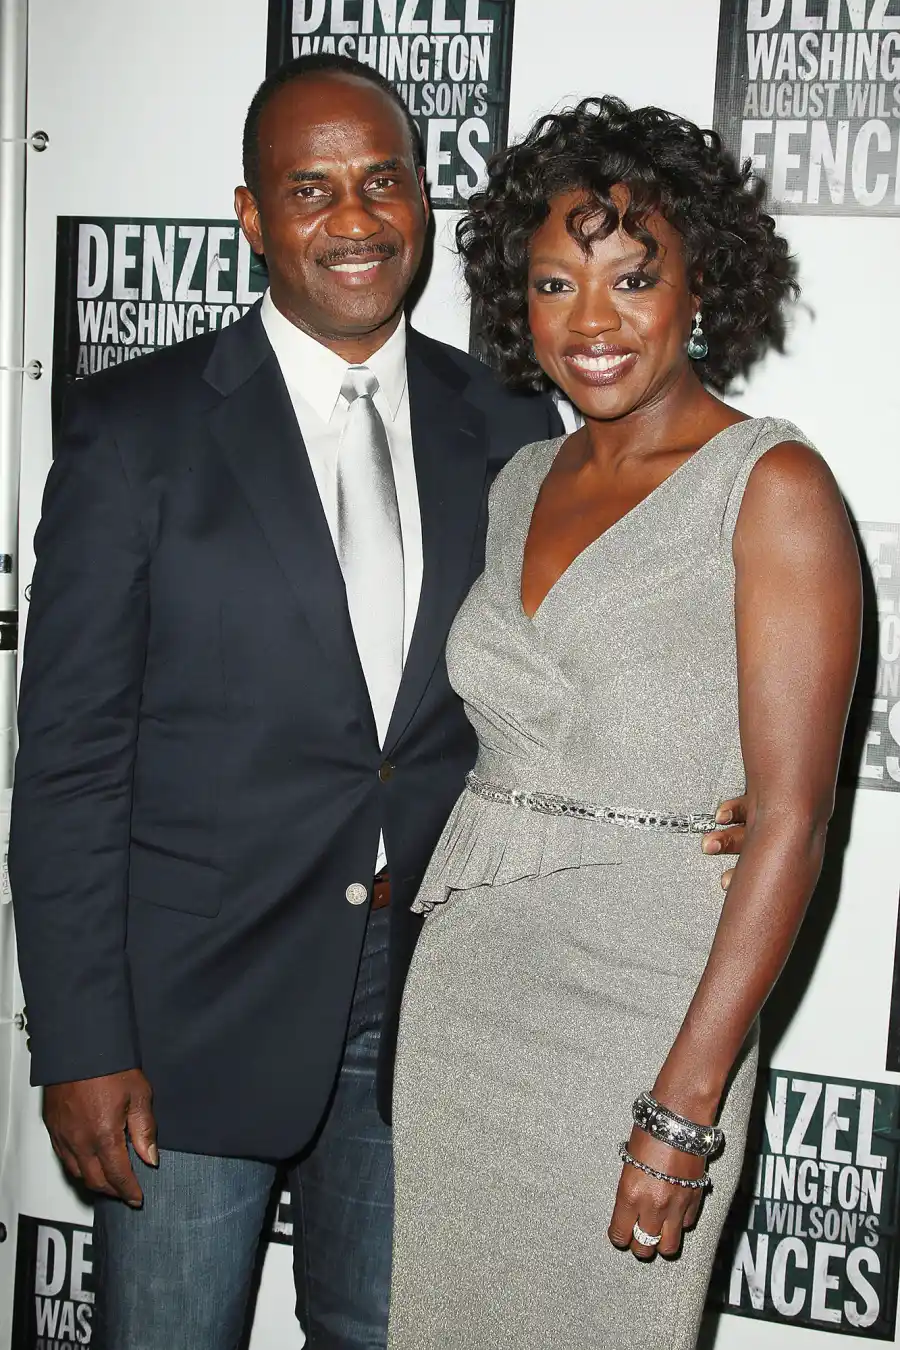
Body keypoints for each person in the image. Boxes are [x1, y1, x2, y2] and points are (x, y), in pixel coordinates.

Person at [9, 59, 744, 1350]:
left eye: (382, 179)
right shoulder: (134, 431)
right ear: (251, 216)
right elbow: (68, 763)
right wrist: (78, 1038)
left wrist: (705, 797)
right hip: (189, 1018)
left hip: (438, 1003)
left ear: (420, 194)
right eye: (311, 188)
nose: (355, 218)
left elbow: (583, 660)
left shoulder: (520, 420)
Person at [387, 97, 862, 1350]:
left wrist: (683, 1108)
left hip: (645, 1007)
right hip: (470, 990)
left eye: (632, 278)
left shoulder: (773, 488)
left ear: (700, 281)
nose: (590, 322)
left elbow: (795, 822)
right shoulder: (522, 480)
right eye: (554, 283)